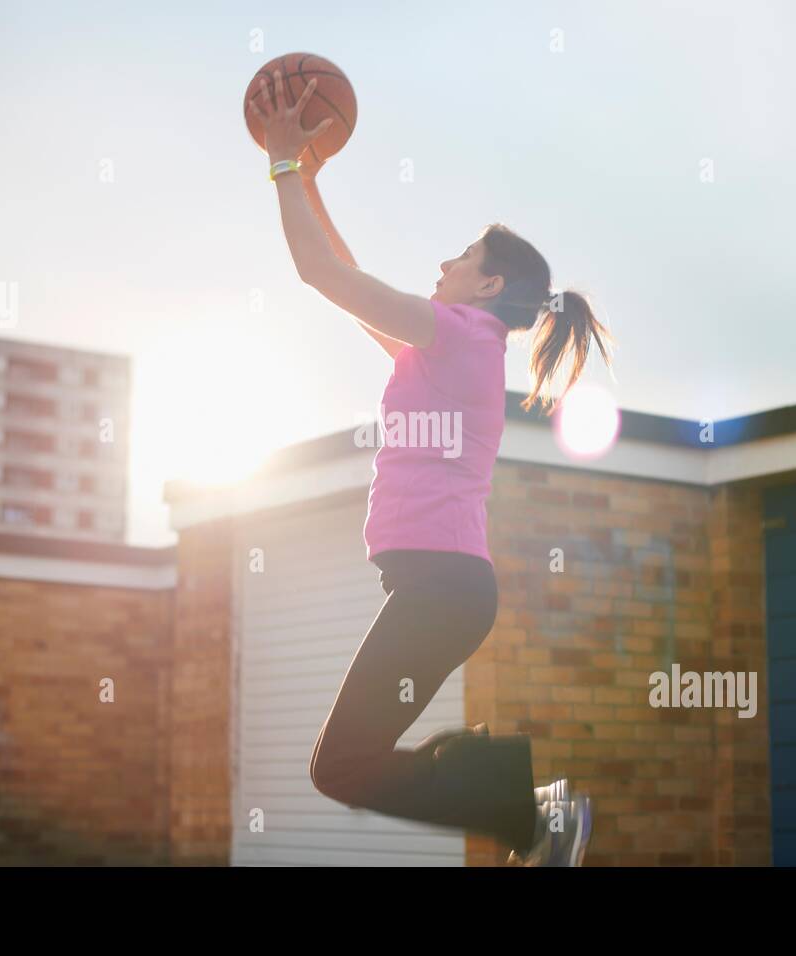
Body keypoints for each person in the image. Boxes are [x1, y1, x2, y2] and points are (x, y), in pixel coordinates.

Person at [249, 72, 612, 866]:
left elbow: (325, 277)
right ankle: (532, 807)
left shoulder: (458, 336)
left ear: (487, 285)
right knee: (342, 763)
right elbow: (348, 288)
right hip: (441, 588)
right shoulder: (451, 346)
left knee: (339, 766)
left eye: (463, 255)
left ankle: (532, 811)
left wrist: (281, 166)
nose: (443, 262)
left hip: (443, 588)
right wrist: (308, 181)